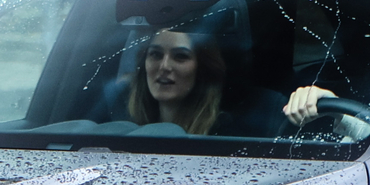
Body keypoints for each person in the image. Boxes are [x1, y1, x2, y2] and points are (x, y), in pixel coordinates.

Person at [126, 25, 334, 136]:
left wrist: (318, 101)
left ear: (203, 68)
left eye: (180, 56)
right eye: (155, 55)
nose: (164, 66)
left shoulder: (237, 133)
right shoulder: (113, 123)